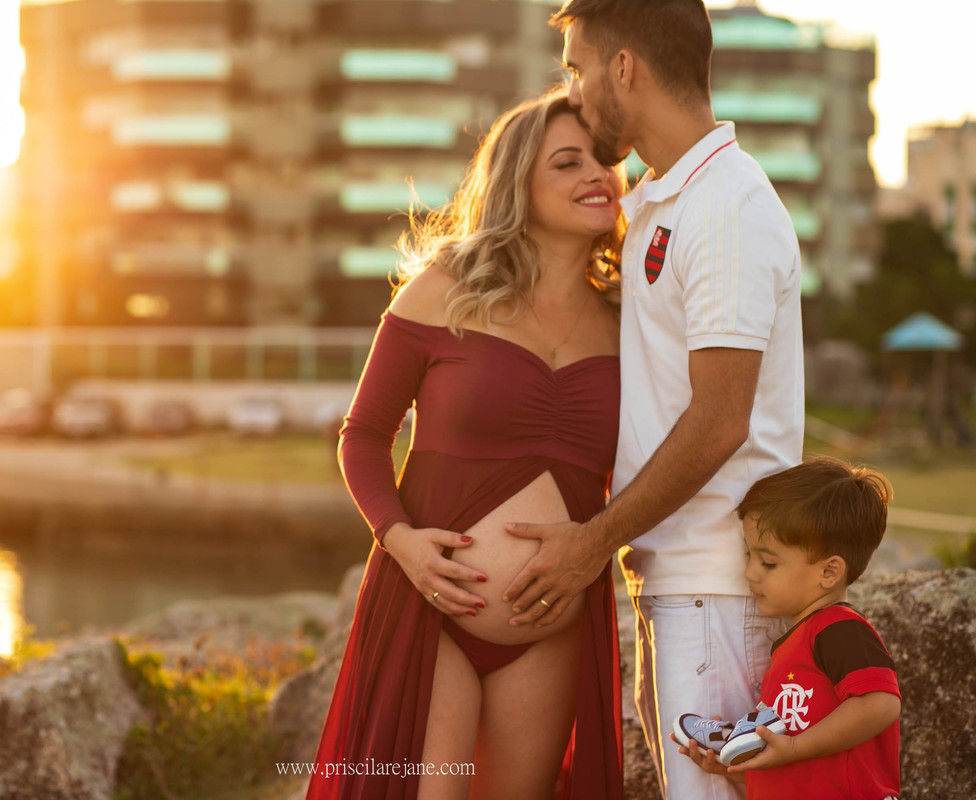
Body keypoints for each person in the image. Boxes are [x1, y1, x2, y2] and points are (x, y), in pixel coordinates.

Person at [499, 1, 804, 798]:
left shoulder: (728, 208)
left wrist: (590, 541)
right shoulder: (663, 198)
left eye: (576, 67)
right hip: (676, 581)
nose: (571, 87)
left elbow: (719, 420)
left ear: (624, 68)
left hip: (719, 586)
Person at [306, 86, 626, 800]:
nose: (596, 177)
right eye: (567, 163)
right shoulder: (440, 290)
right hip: (432, 609)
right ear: (519, 184)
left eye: (604, 161)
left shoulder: (628, 316)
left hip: (550, 626)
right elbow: (363, 436)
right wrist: (401, 541)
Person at [672, 456, 901, 799]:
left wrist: (793, 747)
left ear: (829, 572)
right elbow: (798, 769)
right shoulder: (790, 647)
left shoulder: (839, 629)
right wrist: (736, 766)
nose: (750, 572)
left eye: (768, 562)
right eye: (749, 555)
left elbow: (880, 703)